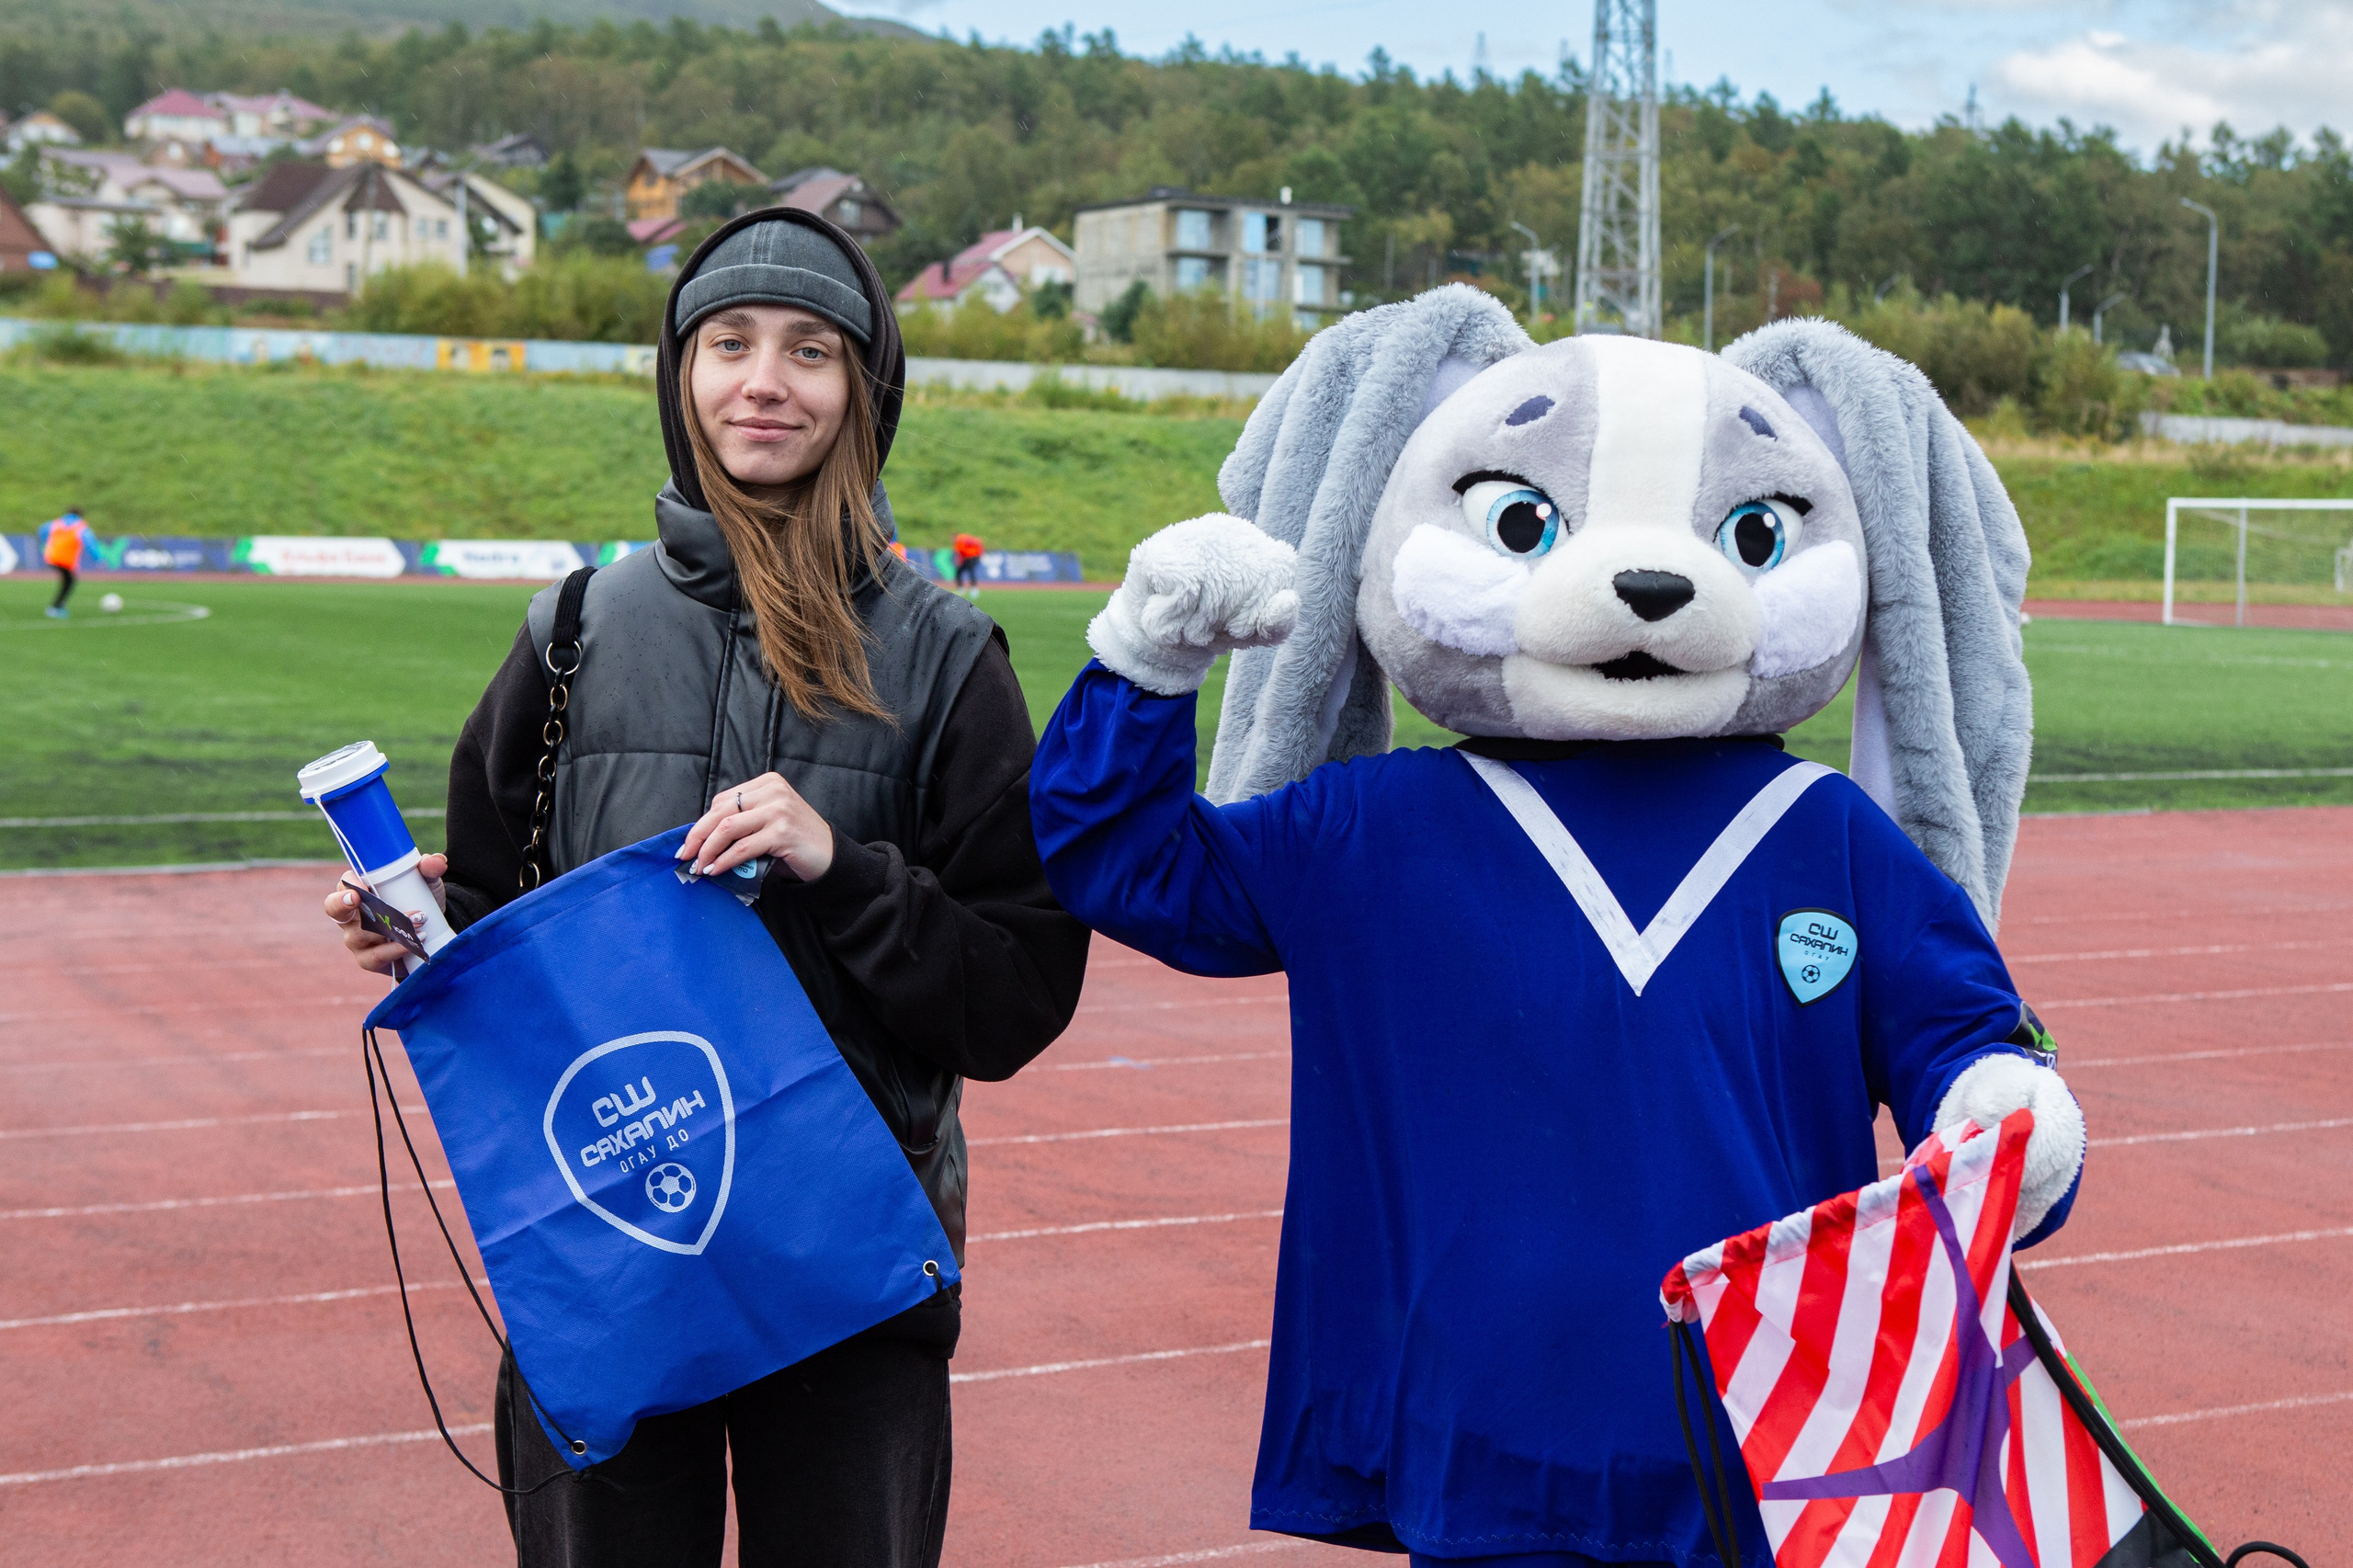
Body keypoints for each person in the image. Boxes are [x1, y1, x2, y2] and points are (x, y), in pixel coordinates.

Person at [319, 208, 1090, 1568]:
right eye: (728, 343)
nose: (763, 381)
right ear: (681, 376)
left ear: (866, 389)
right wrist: (430, 935)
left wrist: (841, 869)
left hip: (849, 1271)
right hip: (610, 1251)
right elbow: (505, 932)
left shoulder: (946, 654)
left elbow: (1016, 996)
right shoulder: (571, 632)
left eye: (810, 351)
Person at [39, 506, 91, 619]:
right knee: (69, 582)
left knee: (68, 581)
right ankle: (56, 607)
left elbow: (41, 530)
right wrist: (99, 558)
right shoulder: (80, 526)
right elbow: (90, 542)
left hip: (52, 556)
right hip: (66, 560)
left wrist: (45, 543)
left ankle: (57, 606)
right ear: (80, 515)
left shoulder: (56, 523)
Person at [950, 529, 983, 597]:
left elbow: (960, 552)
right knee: (969, 572)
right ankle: (972, 589)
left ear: (954, 536)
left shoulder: (959, 540)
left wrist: (959, 561)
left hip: (969, 557)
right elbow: (979, 541)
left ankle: (965, 589)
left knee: (964, 572)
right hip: (974, 556)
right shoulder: (966, 537)